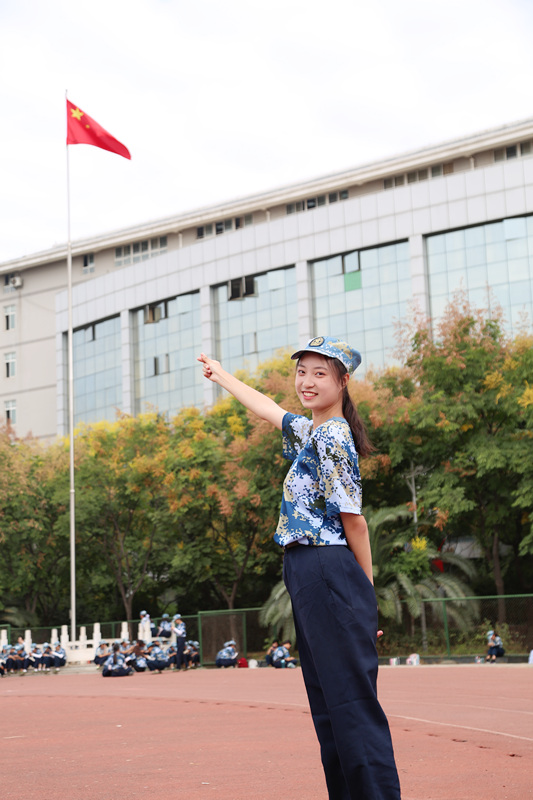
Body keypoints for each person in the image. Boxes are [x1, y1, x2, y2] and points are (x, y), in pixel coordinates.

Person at [199, 336, 401, 800]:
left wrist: (366, 600)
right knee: (329, 703)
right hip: (308, 570)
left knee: (349, 702)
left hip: (328, 565)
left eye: (319, 373)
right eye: (301, 372)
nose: (306, 382)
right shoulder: (313, 431)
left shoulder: (333, 437)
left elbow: (355, 522)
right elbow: (268, 409)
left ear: (343, 382)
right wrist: (222, 375)